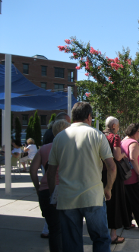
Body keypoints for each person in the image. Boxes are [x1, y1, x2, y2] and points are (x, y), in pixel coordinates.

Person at [47, 102, 117, 252]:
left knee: (71, 242)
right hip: (93, 196)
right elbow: (112, 167)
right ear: (89, 117)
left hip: (67, 198)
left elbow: (51, 171)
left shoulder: (59, 137)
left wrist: (53, 195)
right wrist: (108, 188)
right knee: (101, 238)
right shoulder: (97, 134)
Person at [30, 119, 71, 252]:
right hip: (65, 191)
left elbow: (33, 170)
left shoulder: (45, 148)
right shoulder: (70, 148)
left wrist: (38, 188)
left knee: (54, 229)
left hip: (45, 191)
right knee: (66, 229)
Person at [102, 116, 133, 244]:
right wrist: (124, 155)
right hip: (112, 174)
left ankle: (103, 232)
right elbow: (117, 156)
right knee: (114, 203)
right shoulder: (115, 137)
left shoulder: (101, 135)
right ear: (113, 126)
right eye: (118, 126)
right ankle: (113, 235)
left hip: (100, 173)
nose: (118, 128)